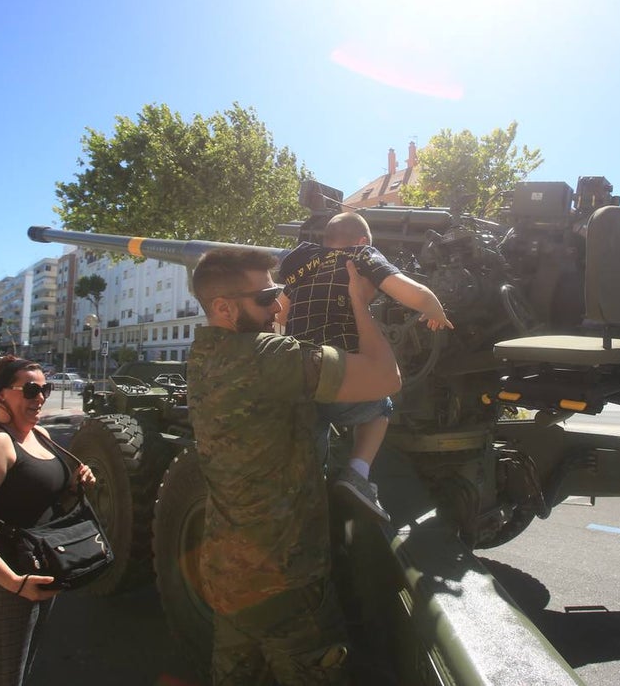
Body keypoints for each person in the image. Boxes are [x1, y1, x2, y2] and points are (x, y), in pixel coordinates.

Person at [189, 247, 400, 685]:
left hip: (227, 575)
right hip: (287, 583)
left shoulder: (204, 355)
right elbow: (385, 378)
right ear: (223, 307)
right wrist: (359, 299)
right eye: (266, 298)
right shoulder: (267, 357)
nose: (279, 305)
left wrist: (273, 323)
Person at [277, 211, 453, 522]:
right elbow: (409, 291)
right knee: (380, 406)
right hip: (340, 375)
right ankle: (357, 474)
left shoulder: (303, 266)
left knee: (312, 439)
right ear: (361, 241)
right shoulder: (362, 254)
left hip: (297, 376)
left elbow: (279, 313)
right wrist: (434, 308)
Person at [0, 356, 96, 685]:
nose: (40, 397)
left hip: (37, 577)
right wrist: (13, 582)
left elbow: (42, 500)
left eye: (45, 389)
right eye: (30, 389)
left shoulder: (38, 434)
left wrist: (76, 481)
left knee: (20, 673)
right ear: (0, 395)